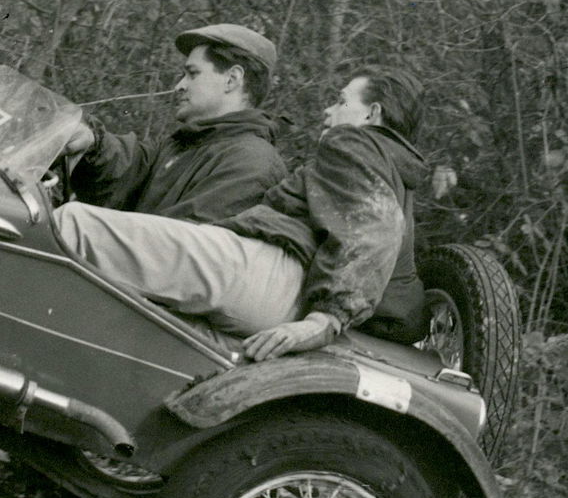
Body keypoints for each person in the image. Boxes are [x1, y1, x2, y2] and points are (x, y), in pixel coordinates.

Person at [54, 67, 430, 362]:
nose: (328, 111)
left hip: (275, 273)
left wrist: (325, 319)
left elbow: (374, 230)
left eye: (341, 101)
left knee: (76, 225)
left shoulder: (353, 142)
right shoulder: (393, 172)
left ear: (372, 114)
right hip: (282, 283)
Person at [56, 23, 287, 223]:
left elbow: (181, 244)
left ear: (232, 79)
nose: (179, 86)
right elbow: (128, 165)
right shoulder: (182, 145)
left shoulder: (251, 163)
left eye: (192, 74)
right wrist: (91, 142)